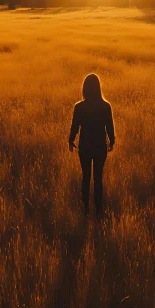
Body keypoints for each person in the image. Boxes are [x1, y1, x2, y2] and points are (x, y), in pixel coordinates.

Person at [68, 74, 115, 218]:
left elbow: (74, 127)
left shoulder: (79, 107)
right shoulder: (106, 106)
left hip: (85, 147)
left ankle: (85, 210)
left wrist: (70, 141)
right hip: (100, 147)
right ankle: (99, 210)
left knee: (86, 177)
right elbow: (110, 127)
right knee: (98, 178)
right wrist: (112, 141)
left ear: (85, 88)